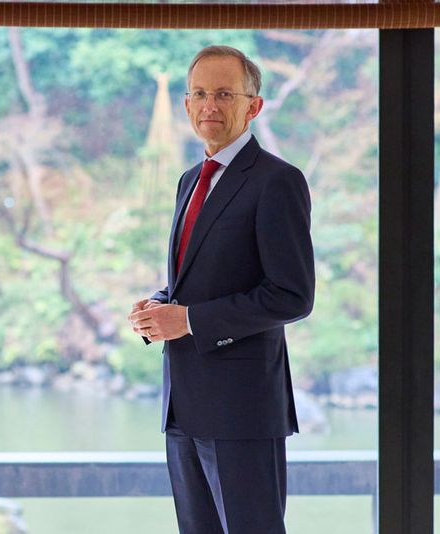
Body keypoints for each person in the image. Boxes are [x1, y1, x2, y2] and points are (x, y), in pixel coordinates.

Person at [128, 45, 315, 533]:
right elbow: (199, 277)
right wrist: (160, 306)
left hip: (243, 410)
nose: (210, 105)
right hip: (182, 406)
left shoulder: (278, 181)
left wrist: (188, 320)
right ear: (187, 104)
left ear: (254, 106)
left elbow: (292, 295)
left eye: (225, 94)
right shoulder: (190, 180)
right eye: (200, 94)